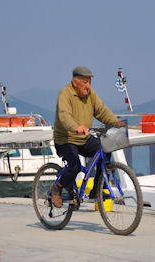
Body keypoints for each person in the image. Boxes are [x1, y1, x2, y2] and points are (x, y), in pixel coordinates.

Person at [52, 66, 123, 208]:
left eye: (89, 82)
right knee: (75, 166)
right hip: (66, 139)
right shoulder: (65, 94)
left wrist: (115, 122)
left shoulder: (91, 95)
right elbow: (64, 116)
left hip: (83, 139)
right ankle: (57, 188)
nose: (88, 86)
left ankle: (97, 189)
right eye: (85, 82)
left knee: (105, 148)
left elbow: (102, 111)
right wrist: (75, 127)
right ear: (75, 82)